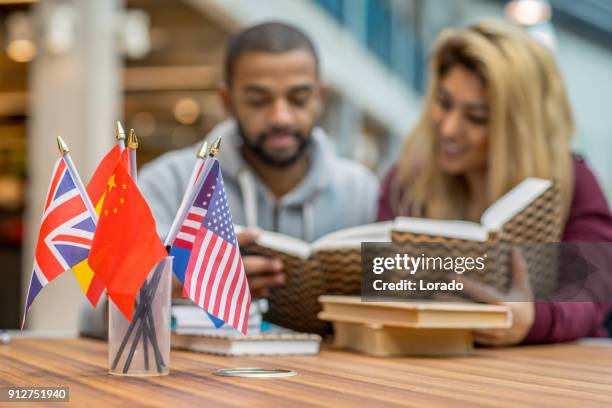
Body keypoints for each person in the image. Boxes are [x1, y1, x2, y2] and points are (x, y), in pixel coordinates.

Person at [378, 21, 612, 345]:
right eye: (444, 102)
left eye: (477, 118)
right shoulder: (407, 183)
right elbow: (382, 280)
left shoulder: (574, 182)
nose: (448, 129)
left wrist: (533, 319)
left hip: (548, 376)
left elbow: (591, 292)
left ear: (518, 128)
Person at [138, 22, 379, 298]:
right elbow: (100, 310)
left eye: (298, 99)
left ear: (320, 97)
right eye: (258, 101)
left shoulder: (361, 192)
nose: (281, 117)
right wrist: (180, 280)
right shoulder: (170, 183)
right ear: (227, 101)